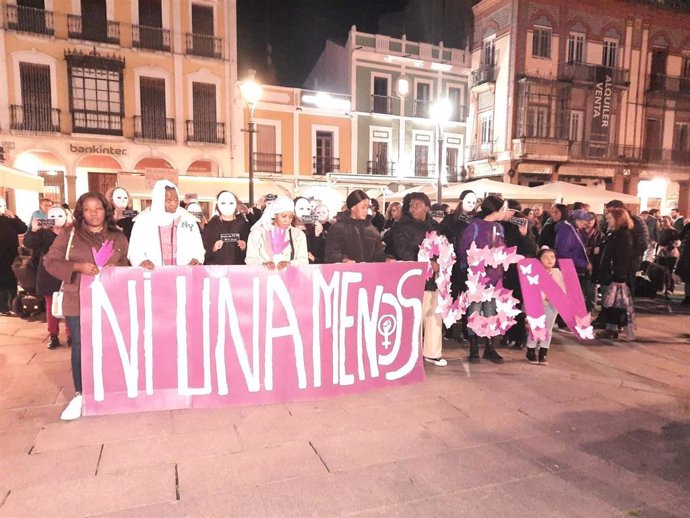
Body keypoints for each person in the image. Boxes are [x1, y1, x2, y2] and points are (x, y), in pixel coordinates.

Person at [44, 192, 129, 420]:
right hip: (77, 299)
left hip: (109, 299)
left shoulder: (117, 235)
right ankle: (82, 393)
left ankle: (109, 387)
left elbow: (125, 262)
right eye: (88, 209)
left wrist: (116, 266)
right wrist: (78, 266)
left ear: (106, 210)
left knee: (110, 343)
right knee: (81, 346)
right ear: (81, 211)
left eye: (98, 208)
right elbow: (50, 261)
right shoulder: (69, 234)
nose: (94, 213)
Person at [392, 192, 446, 366]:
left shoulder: (434, 227)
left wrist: (439, 262)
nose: (413, 208)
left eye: (417, 205)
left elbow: (442, 249)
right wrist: (426, 261)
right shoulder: (402, 226)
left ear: (427, 207)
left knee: (434, 315)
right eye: (411, 205)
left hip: (434, 279)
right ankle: (411, 352)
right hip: (414, 277)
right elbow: (403, 251)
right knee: (415, 317)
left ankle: (432, 352)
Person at [459, 195, 508, 363]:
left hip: (495, 276)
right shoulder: (475, 226)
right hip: (478, 276)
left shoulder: (500, 228)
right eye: (502, 209)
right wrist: (478, 259)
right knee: (474, 309)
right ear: (494, 210)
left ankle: (489, 346)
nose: (505, 212)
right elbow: (464, 249)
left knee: (491, 311)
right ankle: (473, 346)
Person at [128, 180, 205, 269]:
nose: (174, 203)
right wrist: (140, 260)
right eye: (168, 201)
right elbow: (134, 250)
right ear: (158, 200)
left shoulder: (187, 218)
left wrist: (197, 259)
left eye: (176, 199)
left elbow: (198, 247)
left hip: (183, 274)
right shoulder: (143, 220)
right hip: (153, 274)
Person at [23, 206, 72, 348]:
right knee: (51, 306)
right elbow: (28, 243)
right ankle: (53, 335)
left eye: (60, 216)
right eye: (53, 216)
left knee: (69, 305)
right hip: (48, 275)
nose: (56, 219)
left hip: (67, 274)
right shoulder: (43, 233)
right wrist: (33, 229)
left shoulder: (71, 233)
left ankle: (70, 334)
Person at [595, 208, 635, 341]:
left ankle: (611, 329)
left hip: (615, 275)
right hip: (610, 273)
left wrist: (619, 276)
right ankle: (611, 327)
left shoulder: (623, 235)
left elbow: (623, 257)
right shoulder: (615, 233)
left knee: (614, 302)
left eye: (610, 218)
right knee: (610, 301)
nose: (608, 220)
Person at [502, 199, 537, 348]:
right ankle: (507, 333)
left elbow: (531, 249)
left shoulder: (521, 225)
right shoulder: (500, 224)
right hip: (503, 269)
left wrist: (524, 233)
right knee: (505, 303)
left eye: (506, 210)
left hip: (517, 270)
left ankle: (518, 336)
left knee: (516, 303)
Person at [525, 248, 565, 365]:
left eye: (552, 257)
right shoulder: (533, 272)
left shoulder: (558, 273)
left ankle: (543, 351)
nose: (550, 260)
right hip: (537, 304)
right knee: (535, 327)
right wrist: (544, 296)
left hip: (553, 305)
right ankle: (531, 350)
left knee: (548, 328)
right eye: (546, 257)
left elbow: (563, 289)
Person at [325, 190, 388, 264]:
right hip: (346, 273)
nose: (366, 211)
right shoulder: (337, 228)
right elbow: (331, 253)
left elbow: (378, 254)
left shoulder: (372, 230)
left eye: (367, 208)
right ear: (352, 207)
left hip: (369, 273)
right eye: (363, 207)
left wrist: (386, 258)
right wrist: (343, 259)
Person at [245, 196, 308, 269]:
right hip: (264, 277)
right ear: (275, 215)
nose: (287, 220)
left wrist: (290, 263)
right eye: (284, 216)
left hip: (290, 277)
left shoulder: (298, 234)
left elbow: (304, 260)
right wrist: (263, 263)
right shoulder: (258, 232)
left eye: (291, 217)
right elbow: (250, 259)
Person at [555, 208, 591, 309]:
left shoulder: (573, 229)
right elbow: (564, 252)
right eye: (584, 222)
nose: (585, 225)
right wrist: (583, 263)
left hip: (571, 266)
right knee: (569, 296)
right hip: (567, 266)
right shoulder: (567, 230)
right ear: (577, 220)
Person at [202, 191, 249, 265]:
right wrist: (213, 248)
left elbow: (252, 251)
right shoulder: (211, 226)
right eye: (223, 203)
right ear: (218, 205)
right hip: (217, 270)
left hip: (238, 270)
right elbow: (204, 249)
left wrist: (245, 246)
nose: (227, 206)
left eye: (231, 203)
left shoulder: (244, 225)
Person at [0, 196, 28, 316]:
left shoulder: (9, 219)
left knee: (11, 280)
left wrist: (13, 217)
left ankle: (12, 304)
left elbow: (23, 228)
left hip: (11, 255)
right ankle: (3, 307)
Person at [577, 210, 602, 313]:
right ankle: (580, 309)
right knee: (580, 287)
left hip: (593, 263)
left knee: (591, 287)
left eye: (591, 219)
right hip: (580, 262)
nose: (589, 222)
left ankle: (590, 309)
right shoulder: (578, 231)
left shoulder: (598, 233)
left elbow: (599, 249)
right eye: (587, 219)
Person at [293, 196, 327, 264]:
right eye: (301, 208)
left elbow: (319, 252)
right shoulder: (288, 227)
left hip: (309, 265)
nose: (305, 211)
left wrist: (317, 235)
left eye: (308, 209)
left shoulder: (314, 228)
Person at [675, 219, 690, 305]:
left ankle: (687, 297)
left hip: (686, 257)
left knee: (688, 279)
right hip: (687, 257)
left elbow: (682, 240)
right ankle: (687, 297)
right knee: (688, 279)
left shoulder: (687, 228)